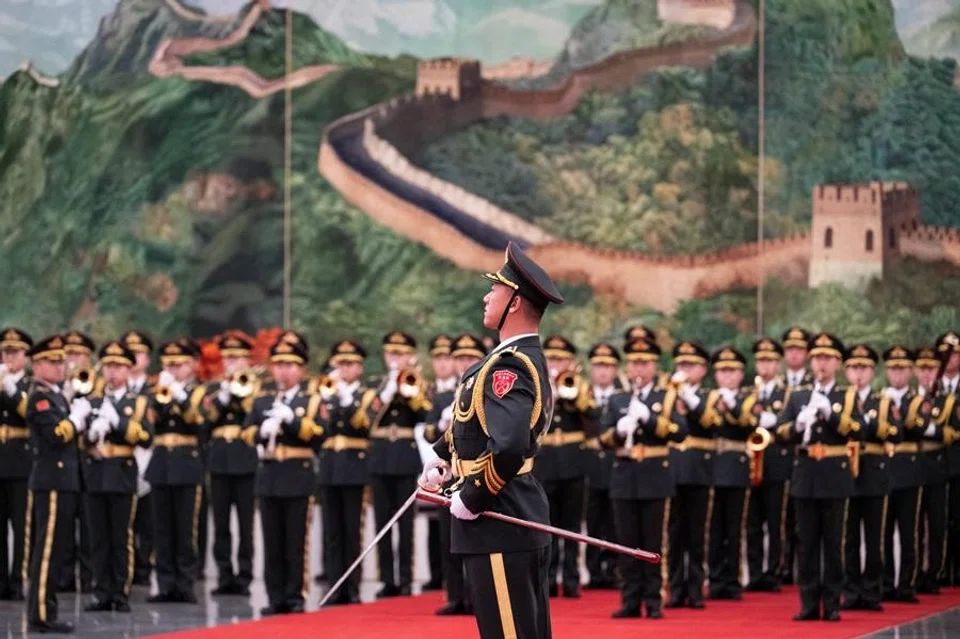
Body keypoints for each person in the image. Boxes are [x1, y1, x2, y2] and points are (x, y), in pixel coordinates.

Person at [420, 241, 563, 639]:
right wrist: (441, 457)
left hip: (501, 518)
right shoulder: (506, 360)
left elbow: (511, 445)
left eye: (495, 289)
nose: (487, 296)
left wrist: (473, 496)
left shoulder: (509, 367)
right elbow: (475, 426)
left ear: (514, 302)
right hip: (508, 519)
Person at [777, 332, 863, 621]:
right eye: (817, 359)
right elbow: (780, 432)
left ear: (838, 363)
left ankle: (833, 602)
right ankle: (809, 602)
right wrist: (798, 426)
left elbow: (859, 430)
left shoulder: (847, 395)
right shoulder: (798, 394)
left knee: (833, 543)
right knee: (807, 542)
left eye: (827, 358)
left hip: (834, 474)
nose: (821, 364)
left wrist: (831, 415)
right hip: (805, 473)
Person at [602, 337, 686, 619]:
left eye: (645, 362)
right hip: (624, 475)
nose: (639, 367)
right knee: (626, 542)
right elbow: (602, 438)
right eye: (635, 362)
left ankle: (653, 600)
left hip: (654, 476)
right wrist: (617, 431)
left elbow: (680, 432)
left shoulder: (667, 397)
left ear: (654, 366)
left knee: (653, 542)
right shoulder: (617, 399)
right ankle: (629, 599)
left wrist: (650, 419)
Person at [241, 332, 323, 615]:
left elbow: (318, 434)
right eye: (279, 364)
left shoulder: (310, 399)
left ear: (300, 369)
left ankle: (295, 595)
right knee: (272, 541)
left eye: (290, 365)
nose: (283, 370)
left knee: (295, 541)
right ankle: (275, 596)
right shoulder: (262, 399)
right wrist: (260, 433)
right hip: (269, 475)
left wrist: (293, 420)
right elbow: (246, 431)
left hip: (297, 477)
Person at [82, 341, 153, 612]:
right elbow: (82, 439)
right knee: (98, 537)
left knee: (121, 537)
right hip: (97, 471)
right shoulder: (92, 400)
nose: (113, 372)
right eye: (109, 366)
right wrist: (89, 434)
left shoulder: (138, 402)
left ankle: (120, 592)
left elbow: (146, 438)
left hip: (123, 472)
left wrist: (119, 423)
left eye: (118, 366)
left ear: (128, 369)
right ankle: (101, 592)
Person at [24, 335, 85, 634]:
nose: (61, 366)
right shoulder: (40, 397)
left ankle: (47, 608)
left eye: (62, 360)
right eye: (53, 361)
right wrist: (77, 420)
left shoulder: (59, 396)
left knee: (57, 550)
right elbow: (57, 435)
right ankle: (41, 613)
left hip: (64, 481)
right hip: (51, 480)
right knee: (46, 551)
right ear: (37, 365)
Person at [424, 333, 487, 615]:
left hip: (475, 473)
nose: (464, 363)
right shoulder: (441, 396)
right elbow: (427, 431)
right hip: (450, 473)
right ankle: (454, 595)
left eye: (470, 358)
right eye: (459, 358)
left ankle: (477, 596)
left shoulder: (483, 390)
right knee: (449, 539)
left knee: (476, 539)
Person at [366, 331, 431, 598]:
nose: (395, 358)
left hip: (405, 458)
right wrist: (389, 390)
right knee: (382, 522)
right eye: (391, 353)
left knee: (406, 523)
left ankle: (405, 577)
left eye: (401, 353)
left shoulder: (419, 384)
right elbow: (367, 418)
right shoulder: (376, 384)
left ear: (411, 356)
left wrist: (410, 393)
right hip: (380, 457)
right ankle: (387, 579)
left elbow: (426, 414)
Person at [145, 339, 207, 603]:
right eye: (169, 364)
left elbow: (200, 422)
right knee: (161, 528)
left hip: (186, 464)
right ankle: (164, 583)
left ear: (191, 365)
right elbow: (148, 425)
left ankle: (185, 583)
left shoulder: (199, 393)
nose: (174, 369)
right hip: (160, 464)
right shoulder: (155, 392)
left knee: (185, 528)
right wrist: (161, 395)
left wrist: (180, 397)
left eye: (179, 364)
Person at [841, 343, 898, 612]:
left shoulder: (883, 401)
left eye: (863, 367)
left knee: (875, 539)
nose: (858, 372)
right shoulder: (839, 401)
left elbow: (896, 433)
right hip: (846, 474)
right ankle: (851, 591)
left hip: (874, 472)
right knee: (848, 539)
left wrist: (867, 422)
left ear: (873, 371)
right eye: (853, 367)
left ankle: (873, 591)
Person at [316, 339, 371, 606]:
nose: (343, 369)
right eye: (340, 364)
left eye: (349, 364)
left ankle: (353, 587)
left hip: (354, 468)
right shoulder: (327, 393)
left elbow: (365, 424)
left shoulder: (365, 394)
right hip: (330, 468)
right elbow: (317, 428)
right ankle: (335, 585)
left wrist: (346, 400)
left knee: (352, 530)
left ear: (359, 367)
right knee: (332, 531)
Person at [203, 332, 259, 596]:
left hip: (246, 461)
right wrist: (223, 397)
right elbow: (206, 421)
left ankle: (245, 576)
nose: (232, 363)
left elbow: (254, 414)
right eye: (227, 358)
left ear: (247, 360)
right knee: (221, 524)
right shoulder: (215, 388)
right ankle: (225, 575)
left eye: (237, 358)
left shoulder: (256, 386)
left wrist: (242, 392)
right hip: (220, 463)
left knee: (246, 525)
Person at [537, 334, 591, 598]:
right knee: (547, 525)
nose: (556, 363)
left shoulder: (580, 387)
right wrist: (550, 394)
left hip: (572, 464)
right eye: (552, 358)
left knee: (571, 525)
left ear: (570, 361)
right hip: (545, 464)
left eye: (561, 358)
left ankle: (571, 578)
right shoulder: (538, 385)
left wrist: (574, 394)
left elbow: (593, 418)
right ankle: (547, 579)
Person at [666, 340, 714, 609]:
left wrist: (688, 397)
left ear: (702, 369)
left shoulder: (709, 396)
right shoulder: (668, 395)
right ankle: (675, 587)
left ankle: (695, 588)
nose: (685, 370)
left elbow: (711, 422)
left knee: (697, 535)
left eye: (691, 365)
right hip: (672, 470)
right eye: (681, 364)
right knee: (674, 535)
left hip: (698, 471)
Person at [706, 346, 752, 601]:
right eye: (722, 371)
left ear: (740, 374)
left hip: (736, 467)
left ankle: (732, 580)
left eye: (732, 371)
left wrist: (732, 403)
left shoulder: (747, 399)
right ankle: (714, 579)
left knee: (734, 528)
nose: (727, 376)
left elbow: (748, 423)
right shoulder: (708, 398)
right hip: (712, 466)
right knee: (713, 530)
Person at [744, 338, 790, 593]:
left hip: (776, 463)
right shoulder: (747, 393)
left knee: (775, 522)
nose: (765, 366)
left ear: (778, 364)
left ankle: (773, 571)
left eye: (770, 361)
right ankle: (754, 572)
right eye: (761, 360)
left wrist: (769, 418)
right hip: (751, 465)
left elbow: (786, 421)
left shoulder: (787, 394)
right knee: (751, 524)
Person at [881, 346, 923, 603]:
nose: (897, 373)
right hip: (885, 469)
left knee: (909, 531)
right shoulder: (878, 399)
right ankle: (884, 582)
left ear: (910, 371)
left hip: (909, 468)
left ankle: (907, 583)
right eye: (893, 368)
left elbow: (919, 428)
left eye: (902, 368)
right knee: (883, 533)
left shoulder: (918, 400)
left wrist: (900, 416)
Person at [583, 343, 622, 590]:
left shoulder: (623, 395)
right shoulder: (582, 394)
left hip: (615, 462)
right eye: (598, 366)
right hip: (589, 463)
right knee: (593, 519)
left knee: (615, 520)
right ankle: (594, 570)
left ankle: (614, 568)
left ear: (616, 369)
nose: (603, 371)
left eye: (607, 366)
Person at [0, 327, 34, 601]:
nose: (10, 356)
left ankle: (17, 579)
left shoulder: (30, 384)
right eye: (5, 351)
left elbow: (29, 413)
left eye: (15, 351)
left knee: (22, 525)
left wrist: (11, 389)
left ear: (25, 355)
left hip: (22, 460)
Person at [120, 330, 156, 586]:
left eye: (139, 353)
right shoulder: (110, 389)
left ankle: (144, 566)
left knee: (148, 520)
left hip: (150, 458)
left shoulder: (155, 389)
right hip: (121, 458)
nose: (134, 358)